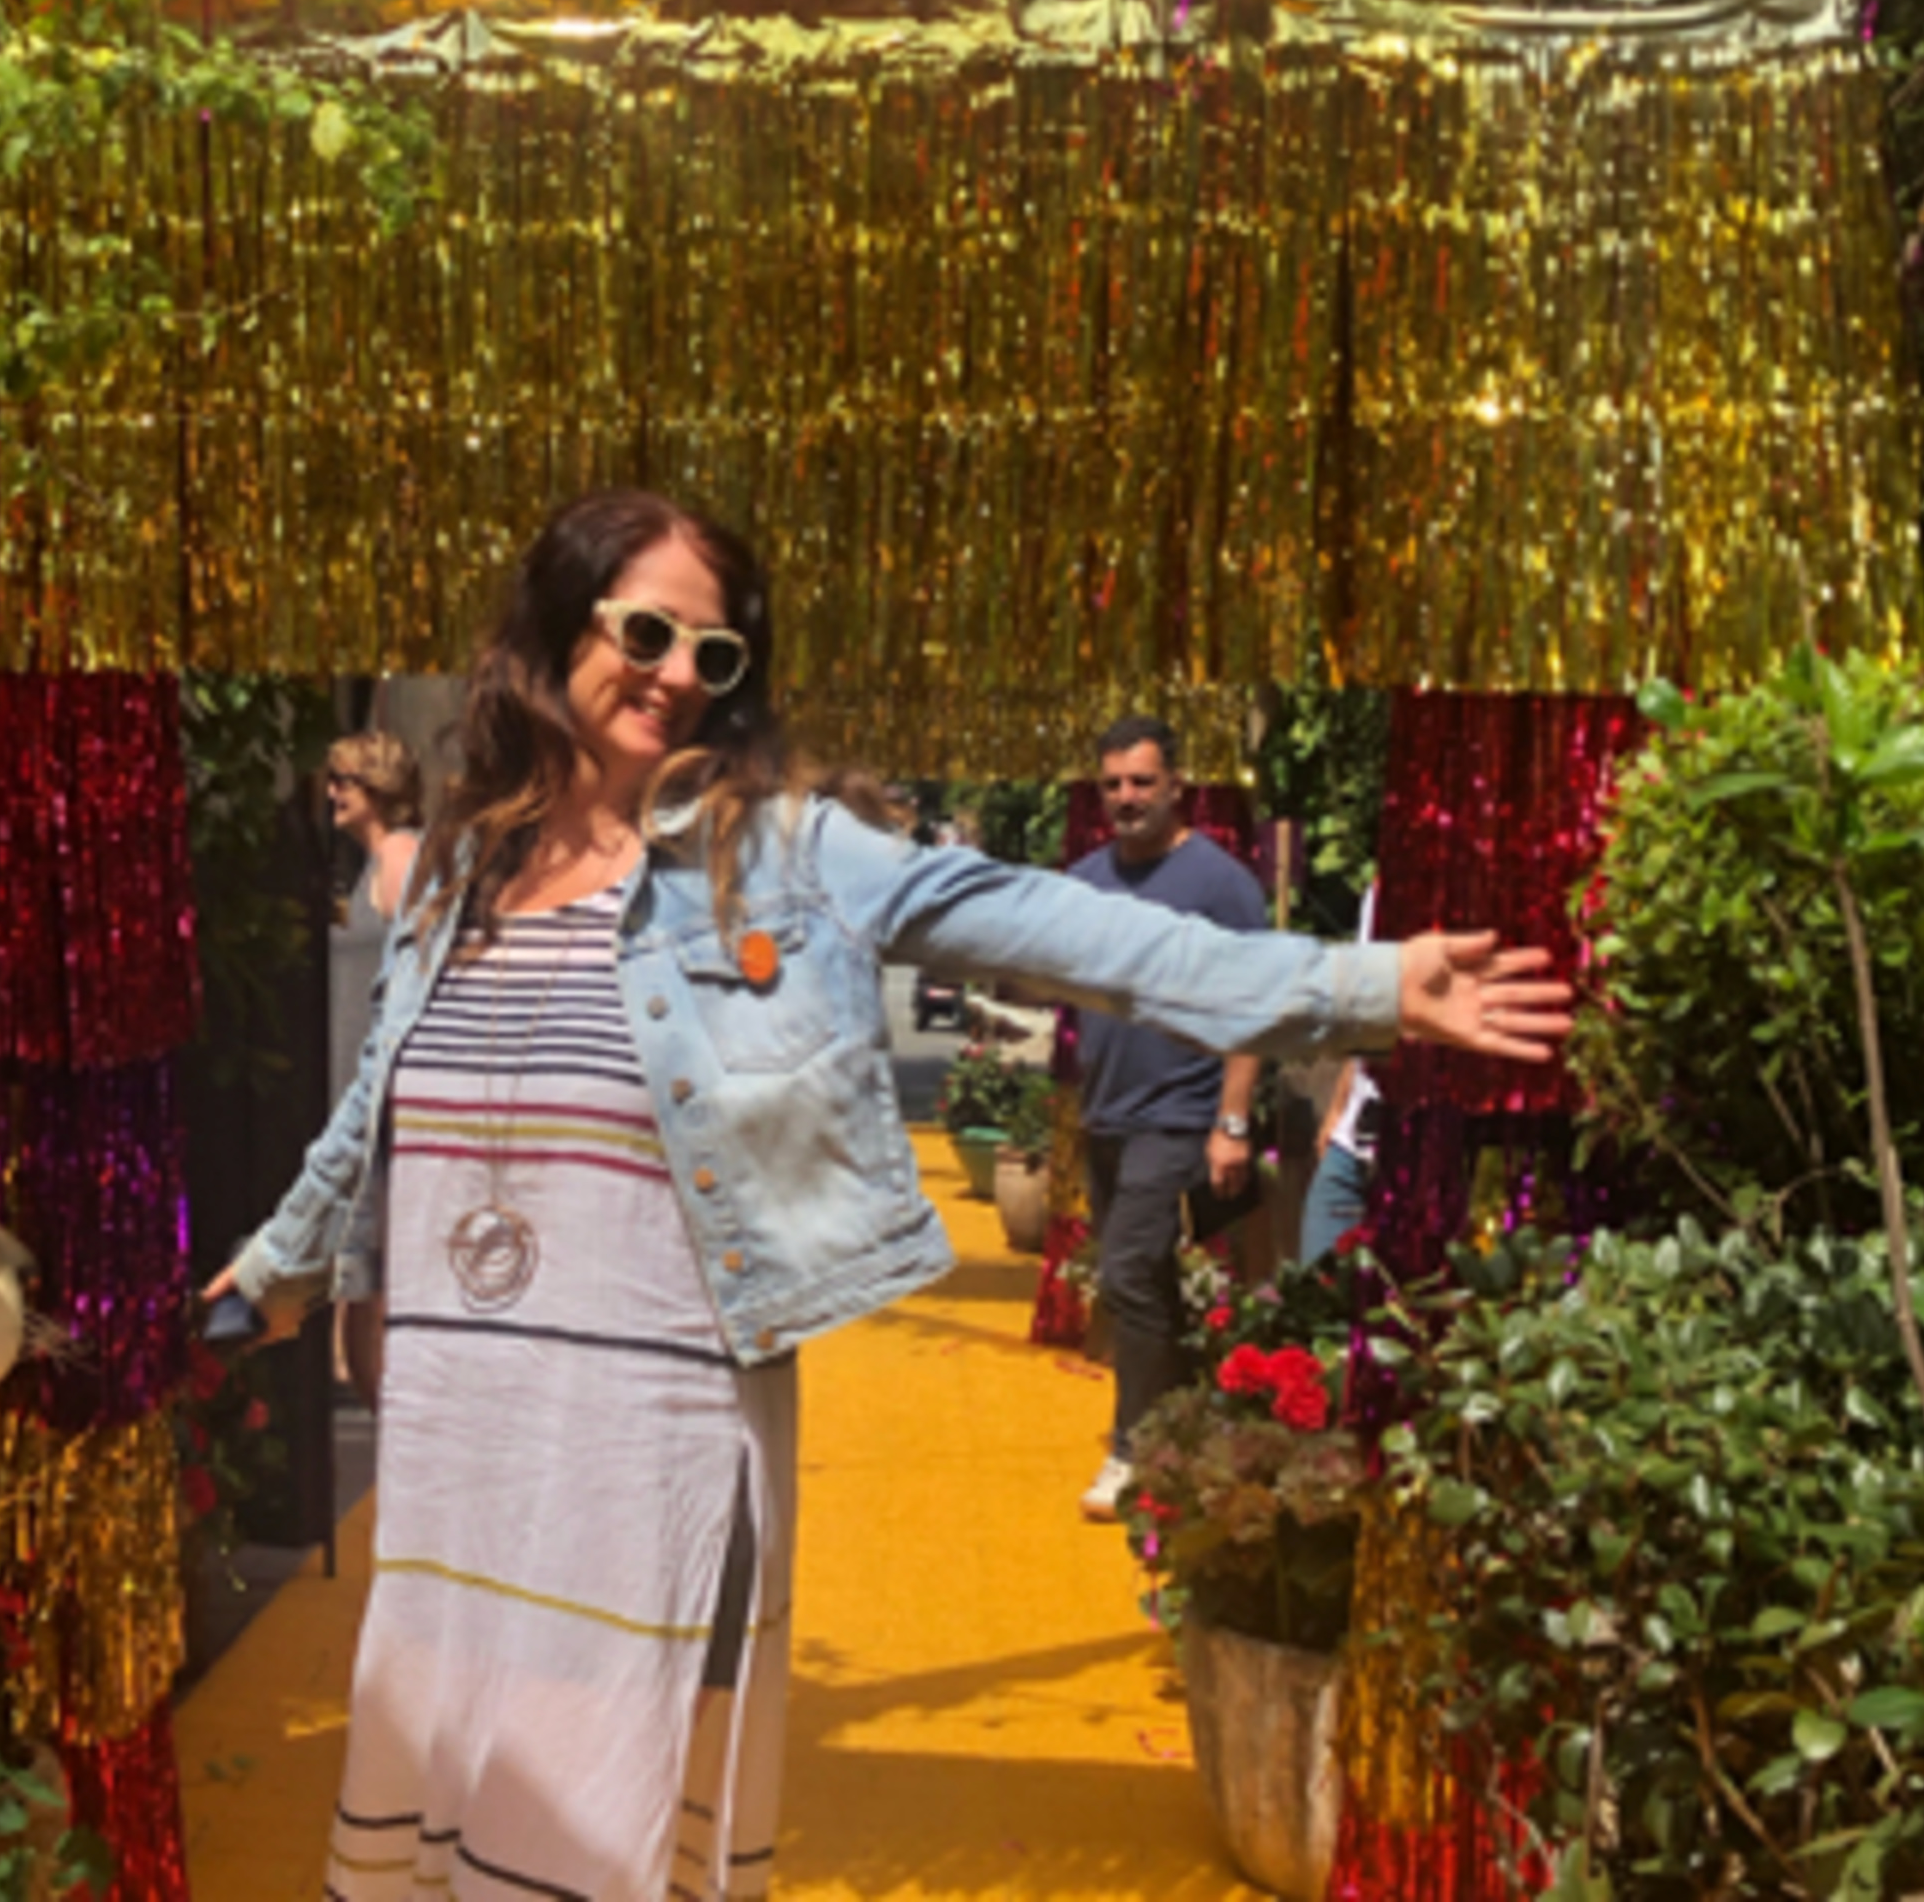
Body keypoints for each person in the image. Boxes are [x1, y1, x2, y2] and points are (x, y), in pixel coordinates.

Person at [203, 489, 1570, 1902]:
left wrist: (1360, 987)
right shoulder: (457, 870)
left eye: (715, 655)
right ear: (558, 627)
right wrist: (288, 1259)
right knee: (446, 1780)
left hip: (648, 1446)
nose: (677, 676)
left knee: (596, 1826)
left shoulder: (778, 853)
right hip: (464, 1428)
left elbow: (1062, 928)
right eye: (648, 633)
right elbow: (376, 1098)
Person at [1066, 712, 1269, 1524]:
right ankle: (1186, 1434)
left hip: (1180, 1114)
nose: (1127, 797)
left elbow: (1255, 1004)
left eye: (1142, 782)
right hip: (1107, 1114)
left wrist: (1233, 1121)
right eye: (1113, 784)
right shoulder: (1085, 881)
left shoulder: (1221, 884)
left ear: (1177, 786)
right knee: (1144, 1282)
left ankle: (1133, 1450)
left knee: (1127, 1274)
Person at [1298, 879, 1383, 1262]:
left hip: (1430, 1151)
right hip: (1354, 1142)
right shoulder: (1381, 893)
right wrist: (1339, 1104)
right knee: (1314, 1284)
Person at [325, 729, 426, 922]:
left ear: (378, 786)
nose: (330, 792)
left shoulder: (398, 852)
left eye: (341, 782)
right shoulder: (376, 860)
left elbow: (411, 936)